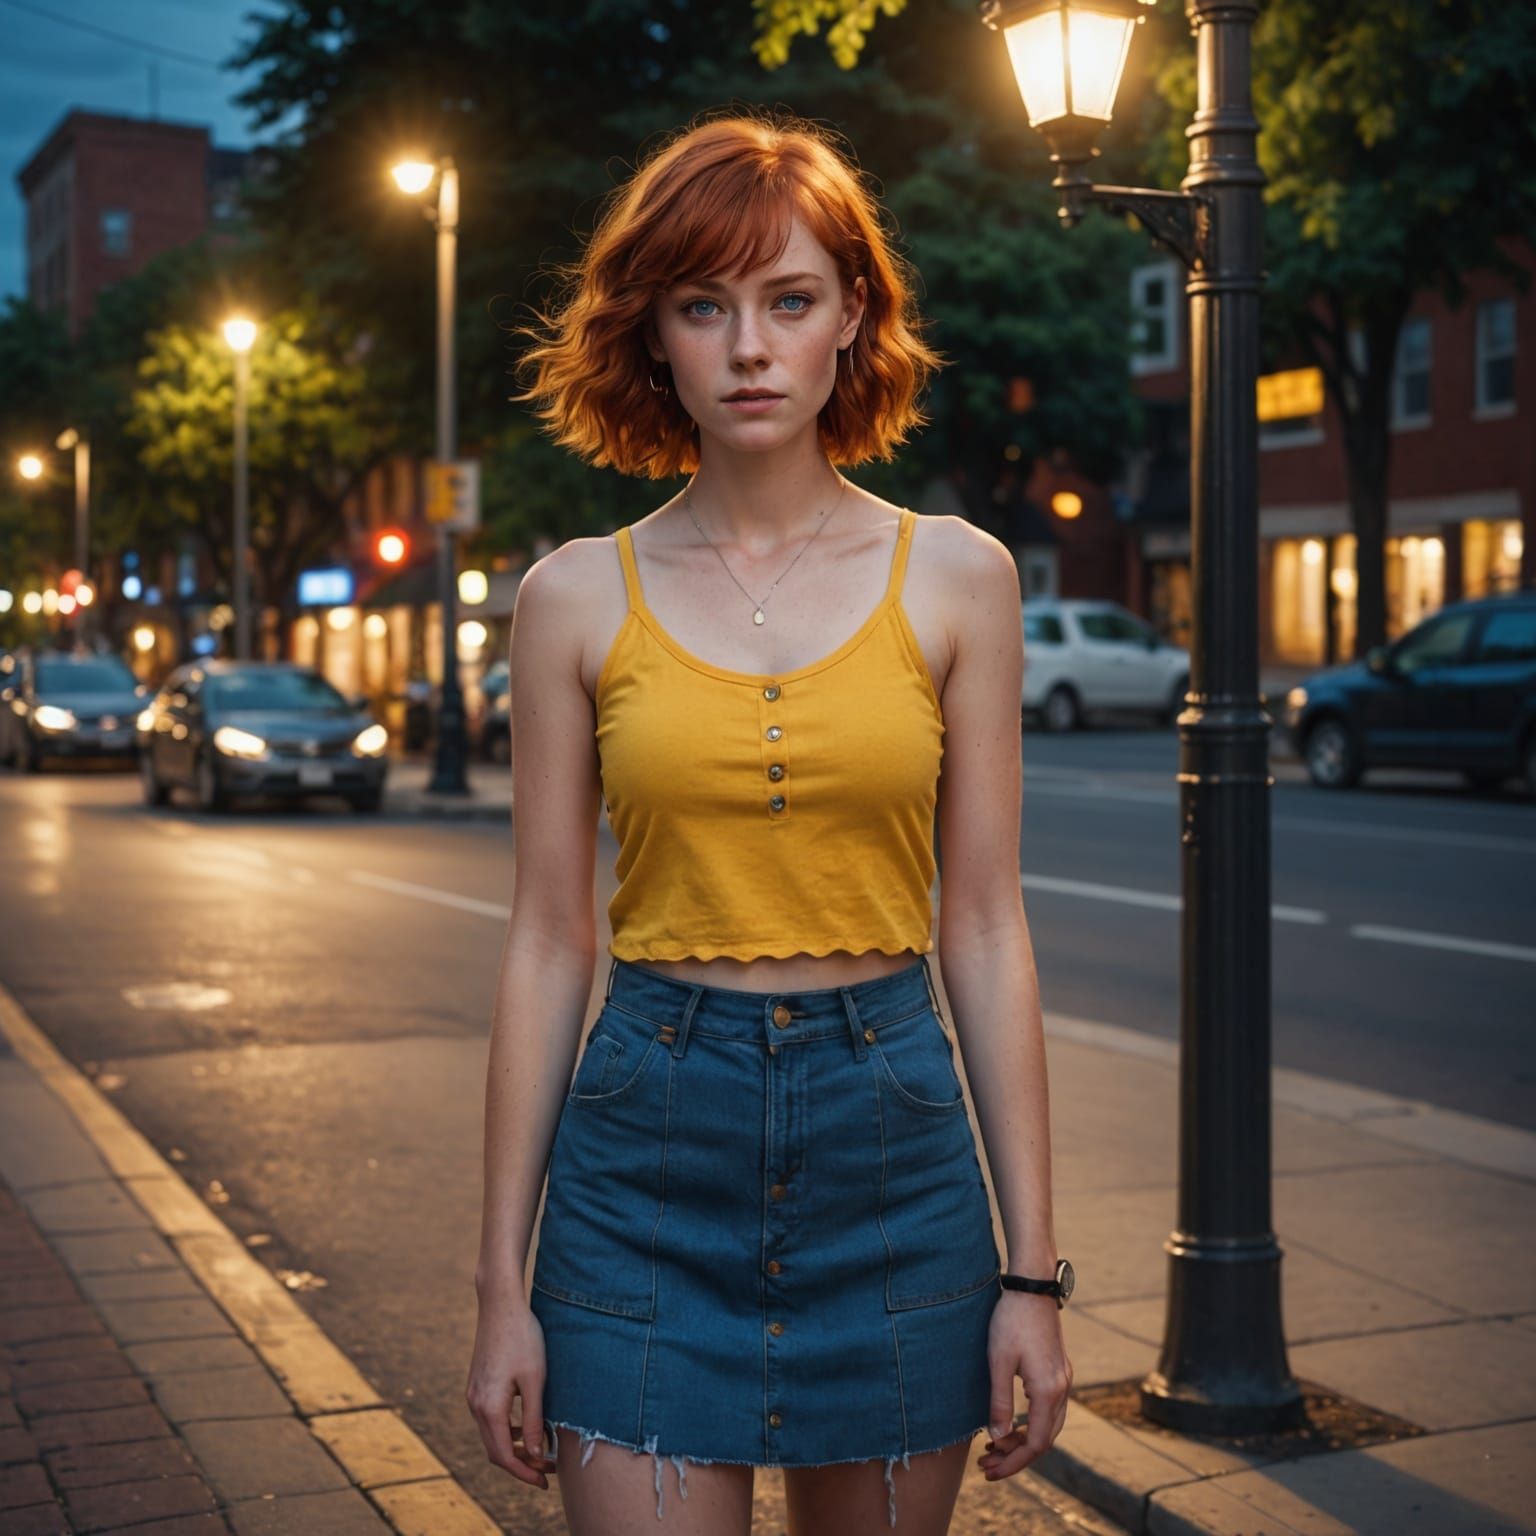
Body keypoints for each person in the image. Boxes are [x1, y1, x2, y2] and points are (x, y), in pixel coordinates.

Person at [467, 107, 1072, 1535]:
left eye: (789, 301)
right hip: (640, 1169)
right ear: (654, 334)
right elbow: (549, 946)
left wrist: (1033, 1278)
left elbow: (986, 931)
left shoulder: (959, 579)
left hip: (897, 1157)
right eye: (704, 305)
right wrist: (501, 1288)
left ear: (850, 317)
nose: (749, 347)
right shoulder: (568, 596)